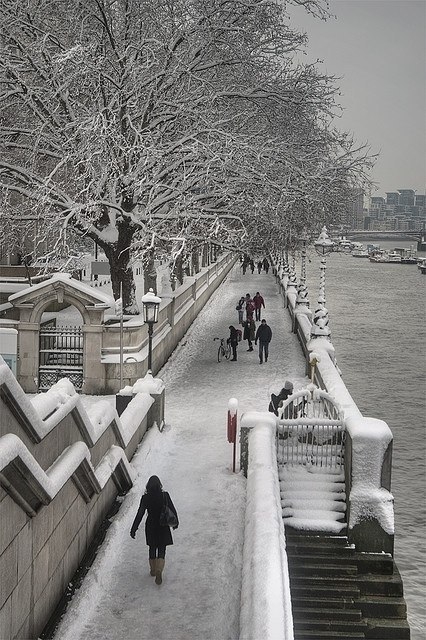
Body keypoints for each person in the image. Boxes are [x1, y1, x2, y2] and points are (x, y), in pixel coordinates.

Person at [130, 475, 179, 585]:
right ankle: (159, 569)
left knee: (152, 547)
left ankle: (152, 570)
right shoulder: (165, 496)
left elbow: (140, 514)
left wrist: (134, 529)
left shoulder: (145, 498)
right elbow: (172, 509)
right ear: (159, 485)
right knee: (162, 548)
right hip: (163, 525)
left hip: (151, 525)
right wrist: (175, 523)